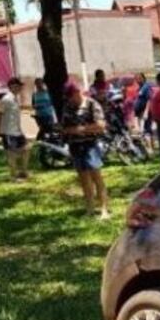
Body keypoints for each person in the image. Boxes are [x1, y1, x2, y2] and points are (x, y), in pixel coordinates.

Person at [61, 82, 110, 219]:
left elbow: (101, 126)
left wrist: (81, 129)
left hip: (90, 146)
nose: (70, 100)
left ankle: (104, 210)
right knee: (84, 179)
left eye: (71, 96)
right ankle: (90, 210)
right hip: (75, 146)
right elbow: (65, 127)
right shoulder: (68, 107)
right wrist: (72, 130)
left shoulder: (92, 104)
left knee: (97, 178)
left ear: (77, 93)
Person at [0, 77, 29, 181]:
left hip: (17, 131)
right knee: (11, 154)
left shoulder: (15, 99)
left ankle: (23, 172)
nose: (20, 88)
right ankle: (13, 176)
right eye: (18, 86)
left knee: (26, 149)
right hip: (8, 132)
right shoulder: (6, 99)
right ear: (12, 86)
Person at [132, 73, 153, 142]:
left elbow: (149, 100)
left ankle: (150, 148)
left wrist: (146, 112)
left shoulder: (146, 87)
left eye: (139, 78)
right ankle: (147, 145)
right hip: (140, 113)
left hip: (146, 112)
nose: (137, 80)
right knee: (142, 131)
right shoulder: (140, 87)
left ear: (143, 78)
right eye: (136, 79)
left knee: (147, 129)